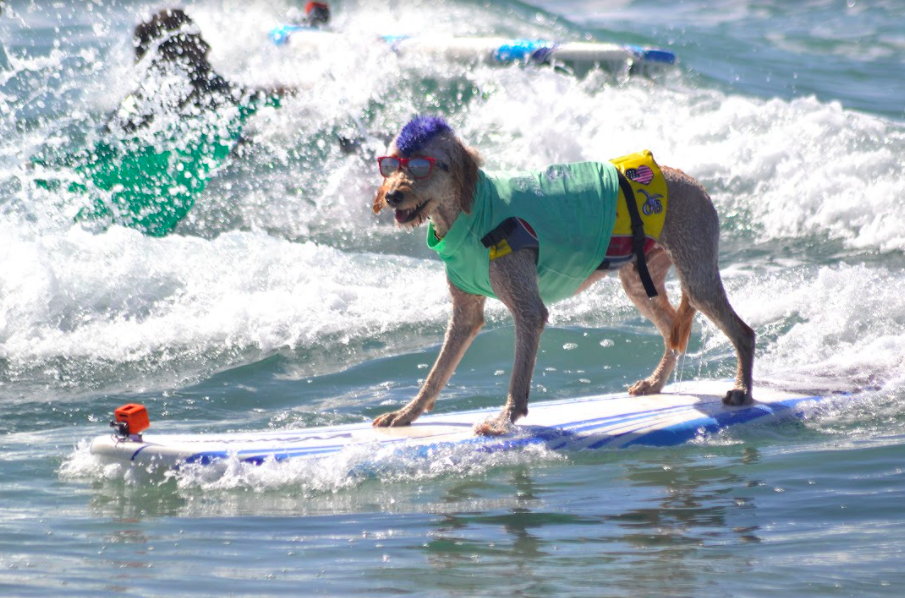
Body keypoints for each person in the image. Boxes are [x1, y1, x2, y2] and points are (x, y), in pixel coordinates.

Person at [36, 8, 289, 236]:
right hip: (221, 187)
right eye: (196, 42)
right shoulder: (204, 88)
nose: (206, 48)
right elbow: (262, 97)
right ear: (171, 53)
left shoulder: (132, 106)